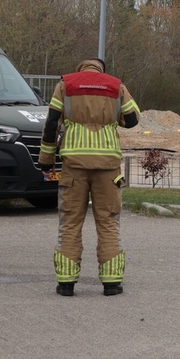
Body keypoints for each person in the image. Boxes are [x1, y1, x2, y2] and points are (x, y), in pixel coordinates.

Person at [38, 58, 140, 296]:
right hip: (108, 165)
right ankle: (112, 283)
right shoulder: (116, 85)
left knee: (70, 222)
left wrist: (46, 160)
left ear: (81, 68)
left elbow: (51, 124)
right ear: (101, 69)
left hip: (74, 164)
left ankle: (66, 284)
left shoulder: (65, 84)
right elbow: (133, 119)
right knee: (108, 221)